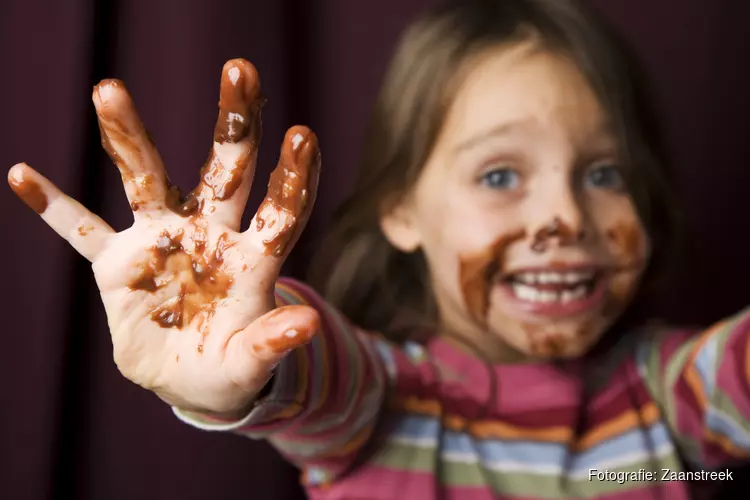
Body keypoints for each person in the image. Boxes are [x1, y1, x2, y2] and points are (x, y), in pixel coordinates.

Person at [8, 0, 750, 498]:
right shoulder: (380, 402)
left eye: (603, 173)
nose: (565, 216)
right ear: (401, 211)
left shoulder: (669, 393)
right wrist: (237, 340)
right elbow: (317, 369)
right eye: (500, 174)